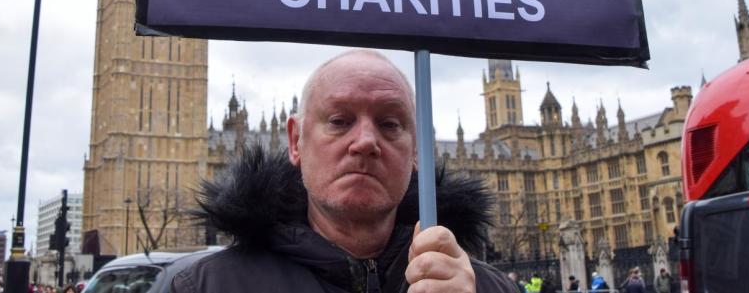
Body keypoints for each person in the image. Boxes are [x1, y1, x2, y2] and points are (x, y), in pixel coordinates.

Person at [170, 49, 514, 292]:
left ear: (418, 150)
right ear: (295, 141)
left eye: (390, 124)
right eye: (339, 121)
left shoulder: (484, 287)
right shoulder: (201, 286)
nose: (365, 141)